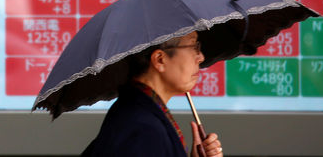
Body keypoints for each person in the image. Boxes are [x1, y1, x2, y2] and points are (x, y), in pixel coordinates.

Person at [81, 31, 223, 156]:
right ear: (160, 59)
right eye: (193, 47)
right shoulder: (142, 130)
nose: (201, 57)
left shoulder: (137, 113)